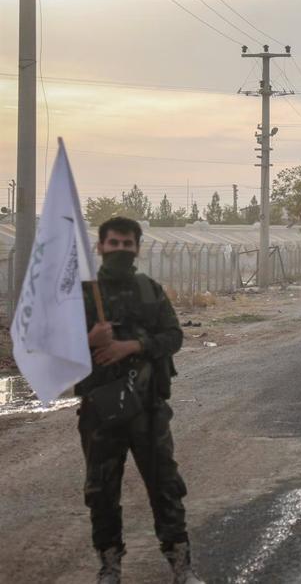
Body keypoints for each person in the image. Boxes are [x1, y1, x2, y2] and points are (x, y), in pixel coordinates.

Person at [77, 217, 203, 584]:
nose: (120, 250)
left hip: (147, 409)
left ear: (137, 248)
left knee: (165, 486)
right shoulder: (83, 295)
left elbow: (174, 336)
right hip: (100, 412)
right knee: (101, 492)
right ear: (100, 247)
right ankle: (110, 567)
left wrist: (130, 346)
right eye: (113, 244)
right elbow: (54, 347)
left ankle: (181, 567)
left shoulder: (150, 290)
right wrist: (90, 339)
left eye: (126, 244)